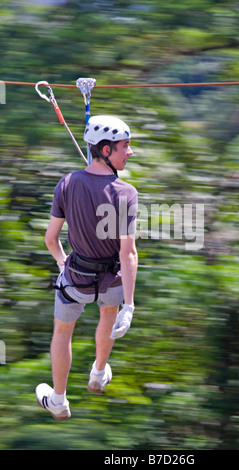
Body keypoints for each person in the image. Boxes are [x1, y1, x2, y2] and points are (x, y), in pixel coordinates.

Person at [35, 115, 138, 421]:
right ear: (105, 150)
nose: (130, 152)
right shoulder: (125, 193)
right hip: (112, 281)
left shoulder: (66, 184)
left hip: (76, 278)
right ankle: (98, 372)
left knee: (63, 331)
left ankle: (59, 399)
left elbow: (51, 239)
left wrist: (63, 262)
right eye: (125, 146)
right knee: (110, 311)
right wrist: (130, 305)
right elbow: (128, 252)